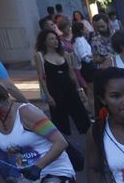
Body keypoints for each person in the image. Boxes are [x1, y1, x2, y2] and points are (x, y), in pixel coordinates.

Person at [32, 28, 90, 162]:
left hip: (70, 89)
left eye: (55, 39)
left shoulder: (65, 54)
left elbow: (71, 73)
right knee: (60, 122)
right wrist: (48, 96)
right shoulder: (40, 56)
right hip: (55, 92)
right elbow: (42, 78)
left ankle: (91, 146)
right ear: (44, 42)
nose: (55, 41)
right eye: (51, 39)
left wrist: (79, 90)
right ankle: (66, 149)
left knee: (83, 119)